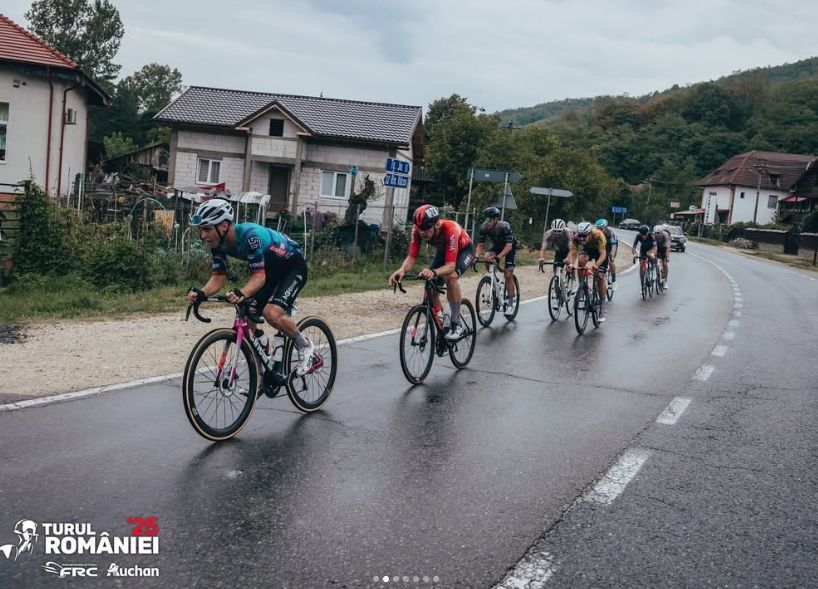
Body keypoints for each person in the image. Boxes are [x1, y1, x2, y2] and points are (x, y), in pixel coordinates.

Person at [184, 198, 316, 375]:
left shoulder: (250, 235)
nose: (202, 236)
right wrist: (201, 293)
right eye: (201, 230)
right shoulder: (218, 244)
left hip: (292, 266)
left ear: (223, 226)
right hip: (270, 270)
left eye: (207, 229)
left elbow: (259, 278)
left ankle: (304, 345)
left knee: (271, 313)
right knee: (247, 317)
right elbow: (218, 277)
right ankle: (262, 361)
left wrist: (242, 292)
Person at [389, 204, 475, 340]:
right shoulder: (417, 230)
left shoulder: (449, 229)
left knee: (450, 277)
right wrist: (402, 269)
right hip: (443, 251)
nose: (422, 232)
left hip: (464, 251)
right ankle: (443, 322)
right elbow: (412, 257)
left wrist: (433, 272)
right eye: (420, 228)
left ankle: (456, 322)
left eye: (426, 228)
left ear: (436, 224)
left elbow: (451, 266)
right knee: (432, 289)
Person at [476, 206, 518, 315]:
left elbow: (508, 247)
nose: (487, 222)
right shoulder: (484, 228)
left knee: (508, 274)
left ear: (496, 220)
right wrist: (476, 257)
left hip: (510, 247)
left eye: (489, 219)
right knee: (486, 257)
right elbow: (480, 245)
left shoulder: (504, 227)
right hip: (498, 246)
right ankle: (495, 280)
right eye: (485, 219)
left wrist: (498, 258)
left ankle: (510, 303)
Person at [568, 221, 608, 321]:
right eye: (580, 236)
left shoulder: (598, 235)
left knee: (600, 277)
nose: (581, 238)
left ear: (589, 233)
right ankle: (582, 286)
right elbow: (573, 253)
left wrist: (596, 265)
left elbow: (603, 255)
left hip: (600, 252)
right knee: (581, 260)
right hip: (588, 250)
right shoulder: (576, 237)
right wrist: (572, 264)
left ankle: (602, 306)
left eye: (584, 236)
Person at [632, 224, 658, 293]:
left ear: (648, 233)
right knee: (641, 266)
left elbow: (655, 247)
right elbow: (634, 247)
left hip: (651, 249)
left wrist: (653, 253)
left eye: (645, 234)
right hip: (643, 250)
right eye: (642, 235)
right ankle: (642, 284)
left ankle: (653, 270)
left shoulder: (651, 235)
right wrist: (634, 254)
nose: (643, 236)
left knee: (651, 257)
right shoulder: (638, 236)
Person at [595, 219, 618, 290]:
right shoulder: (596, 232)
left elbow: (614, 246)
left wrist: (612, 255)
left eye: (601, 229)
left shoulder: (611, 231)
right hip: (602, 245)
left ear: (606, 228)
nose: (599, 230)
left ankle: (614, 281)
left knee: (611, 261)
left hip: (611, 245)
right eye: (597, 228)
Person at [653, 224, 671, 289]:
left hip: (664, 248)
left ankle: (665, 281)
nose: (657, 234)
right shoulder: (653, 236)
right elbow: (652, 247)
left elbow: (668, 247)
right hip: (656, 247)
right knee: (653, 259)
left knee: (665, 264)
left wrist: (667, 256)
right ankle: (654, 273)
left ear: (661, 232)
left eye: (658, 233)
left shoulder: (666, 235)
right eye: (655, 233)